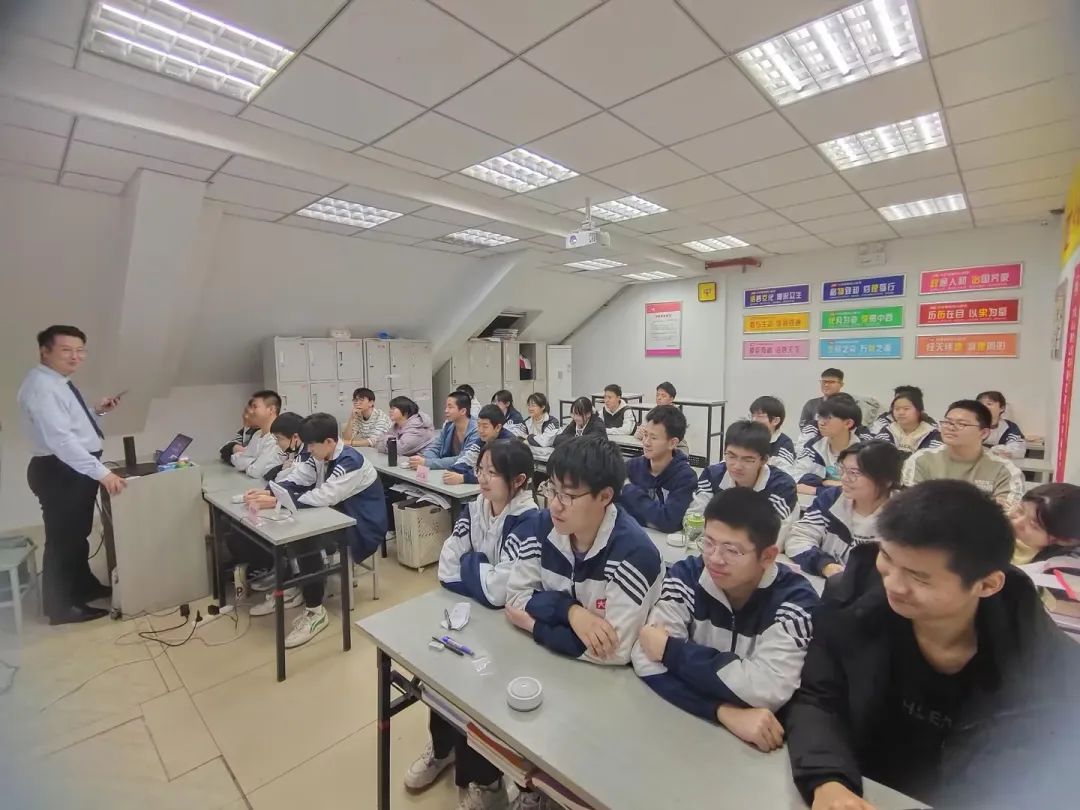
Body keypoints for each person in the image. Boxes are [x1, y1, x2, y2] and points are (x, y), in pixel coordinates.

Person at [785, 480, 1080, 809]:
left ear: (986, 585)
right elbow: (819, 698)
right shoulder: (852, 600)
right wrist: (827, 781)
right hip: (864, 787)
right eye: (887, 557)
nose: (893, 584)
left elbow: (1038, 774)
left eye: (919, 577)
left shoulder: (1043, 666)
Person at [631, 488, 819, 752]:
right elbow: (646, 660)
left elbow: (766, 690)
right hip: (682, 733)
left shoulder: (795, 602)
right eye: (708, 542)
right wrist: (721, 711)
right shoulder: (687, 576)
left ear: (768, 556)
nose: (715, 559)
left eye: (732, 550)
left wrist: (670, 651)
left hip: (753, 752)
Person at [406, 440, 540, 806]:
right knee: (442, 674)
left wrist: (472, 563)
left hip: (510, 628)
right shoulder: (474, 507)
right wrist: (480, 569)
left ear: (518, 481)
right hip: (468, 615)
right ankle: (443, 748)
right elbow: (446, 568)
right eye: (480, 469)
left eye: (492, 473)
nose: (481, 478)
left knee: (481, 696)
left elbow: (500, 593)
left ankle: (487, 781)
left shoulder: (529, 520)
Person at [505, 436, 663, 665]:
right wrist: (570, 612)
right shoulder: (544, 526)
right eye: (552, 489)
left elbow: (614, 650)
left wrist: (535, 625)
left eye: (568, 496)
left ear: (605, 496)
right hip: (551, 664)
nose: (554, 505)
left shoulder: (634, 554)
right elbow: (515, 597)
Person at [243, 413, 387, 647]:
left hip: (360, 524)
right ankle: (295, 587)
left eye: (311, 445)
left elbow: (324, 496)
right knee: (289, 528)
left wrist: (279, 500)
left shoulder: (350, 461)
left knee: (304, 539)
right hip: (336, 513)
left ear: (329, 442)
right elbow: (298, 478)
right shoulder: (320, 455)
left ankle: (315, 611)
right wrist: (269, 491)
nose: (308, 450)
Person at [18, 325, 125, 625]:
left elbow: (69, 424)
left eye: (80, 350)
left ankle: (82, 586)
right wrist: (103, 473)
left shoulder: (56, 382)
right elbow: (61, 441)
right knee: (63, 540)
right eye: (66, 350)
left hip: (69, 469)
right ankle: (60, 607)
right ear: (45, 351)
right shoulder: (43, 388)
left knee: (77, 535)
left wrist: (96, 412)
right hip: (60, 470)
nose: (75, 356)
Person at [787, 442, 906, 578]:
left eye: (854, 473)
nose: (844, 478)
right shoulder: (832, 499)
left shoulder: (905, 515)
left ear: (886, 480)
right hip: (827, 584)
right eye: (842, 469)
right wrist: (825, 565)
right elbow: (798, 537)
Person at [902, 399, 1024, 510]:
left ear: (984, 433)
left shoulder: (1004, 470)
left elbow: (1006, 517)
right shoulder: (922, 459)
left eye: (961, 424)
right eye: (947, 422)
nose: (950, 427)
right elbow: (910, 509)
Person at [692, 420, 797, 521]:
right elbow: (694, 517)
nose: (737, 466)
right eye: (731, 456)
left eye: (747, 460)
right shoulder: (712, 476)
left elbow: (768, 529)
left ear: (764, 460)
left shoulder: (782, 487)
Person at [619, 405, 697, 533]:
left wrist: (628, 488)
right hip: (632, 535)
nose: (646, 442)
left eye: (654, 438)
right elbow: (617, 510)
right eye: (645, 435)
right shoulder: (632, 467)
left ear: (673, 443)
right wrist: (652, 517)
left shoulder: (686, 478)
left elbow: (668, 521)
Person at [794, 395, 863, 494]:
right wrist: (824, 482)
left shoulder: (864, 452)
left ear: (848, 423)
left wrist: (816, 490)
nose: (821, 423)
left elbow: (862, 488)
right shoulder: (814, 446)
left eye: (828, 418)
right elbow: (797, 476)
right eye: (820, 417)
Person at [444, 404, 518, 485]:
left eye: (485, 427)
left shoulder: (508, 444)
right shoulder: (483, 439)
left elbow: (494, 473)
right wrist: (453, 470)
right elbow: (468, 459)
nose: (480, 430)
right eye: (479, 425)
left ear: (498, 427)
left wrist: (463, 478)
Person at [1010, 482, 1080, 565]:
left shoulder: (1056, 565)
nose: (1015, 522)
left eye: (1034, 526)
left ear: (1064, 541)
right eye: (1020, 510)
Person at [414, 391, 479, 470]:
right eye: (446, 407)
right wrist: (423, 459)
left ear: (463, 411)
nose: (446, 410)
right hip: (446, 470)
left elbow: (464, 459)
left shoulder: (477, 430)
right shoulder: (449, 426)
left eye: (450, 407)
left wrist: (428, 463)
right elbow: (436, 448)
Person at [230, 390, 287, 479]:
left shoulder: (276, 438)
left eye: (255, 407)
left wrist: (249, 463)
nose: (250, 411)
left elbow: (256, 472)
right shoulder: (257, 434)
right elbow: (235, 459)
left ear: (271, 410)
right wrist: (254, 461)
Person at [876, 389, 941, 453]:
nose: (901, 413)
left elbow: (931, 457)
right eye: (897, 409)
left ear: (919, 411)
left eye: (906, 409)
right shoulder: (887, 430)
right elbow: (880, 454)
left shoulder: (932, 434)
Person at [749, 395, 795, 477]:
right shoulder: (746, 437)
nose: (754, 420)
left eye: (759, 416)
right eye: (752, 416)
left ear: (775, 421)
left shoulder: (784, 443)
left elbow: (784, 475)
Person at [977, 390, 1027, 459]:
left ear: (1002, 408)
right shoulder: (970, 425)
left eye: (989, 404)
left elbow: (1018, 449)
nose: (984, 407)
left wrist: (998, 450)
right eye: (980, 404)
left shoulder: (1010, 427)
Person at [798, 368, 845, 434]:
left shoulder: (847, 405)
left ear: (841, 384)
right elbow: (803, 426)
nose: (826, 385)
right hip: (814, 439)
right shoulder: (811, 404)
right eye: (824, 382)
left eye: (831, 382)